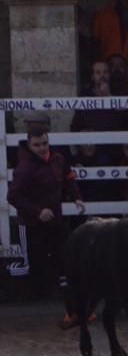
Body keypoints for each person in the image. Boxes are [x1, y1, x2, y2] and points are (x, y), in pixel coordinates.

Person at [6, 124, 84, 321]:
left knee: (65, 262)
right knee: (35, 267)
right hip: (32, 225)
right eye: (37, 145)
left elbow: (68, 176)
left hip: (55, 221)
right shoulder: (24, 168)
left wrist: (76, 196)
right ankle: (8, 284)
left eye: (45, 143)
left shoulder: (57, 159)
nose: (42, 148)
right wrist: (37, 211)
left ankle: (73, 310)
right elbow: (13, 196)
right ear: (30, 145)